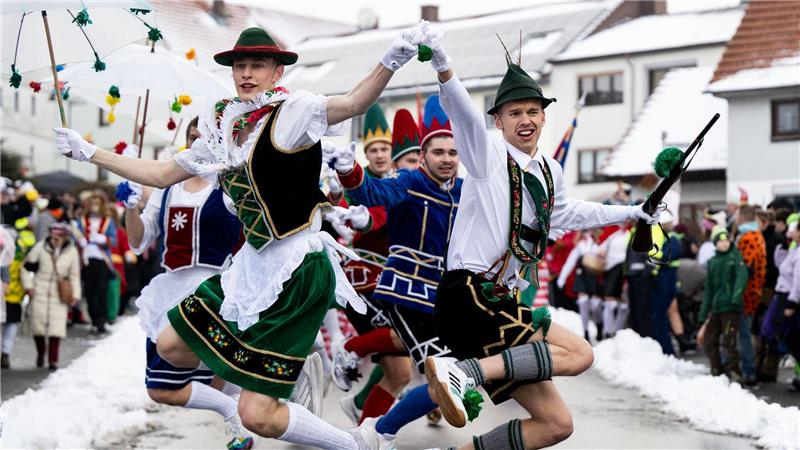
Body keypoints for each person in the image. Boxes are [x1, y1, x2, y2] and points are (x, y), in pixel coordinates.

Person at [52, 24, 428, 449]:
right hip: (251, 264)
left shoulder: (294, 112)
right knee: (172, 344)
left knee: (257, 417)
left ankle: (356, 442)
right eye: (240, 65)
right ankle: (277, 370)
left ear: (276, 73)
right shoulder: (225, 127)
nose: (247, 73)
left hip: (298, 268)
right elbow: (160, 173)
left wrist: (391, 61)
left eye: (257, 65)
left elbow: (354, 101)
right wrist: (89, 151)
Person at [374, 25, 659, 450]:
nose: (524, 120)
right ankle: (466, 372)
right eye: (514, 113)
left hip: (499, 298)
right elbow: (461, 112)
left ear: (544, 116)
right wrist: (442, 62)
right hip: (467, 295)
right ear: (499, 120)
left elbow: (571, 212)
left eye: (532, 111)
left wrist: (633, 210)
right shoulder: (486, 155)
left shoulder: (549, 169)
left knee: (556, 424)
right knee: (581, 354)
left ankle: (461, 411)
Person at [116, 118, 253, 450]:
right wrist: (132, 206)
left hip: (212, 288)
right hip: (169, 290)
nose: (196, 144)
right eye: (192, 137)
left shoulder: (229, 186)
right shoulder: (166, 187)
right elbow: (137, 242)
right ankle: (250, 411)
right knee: (170, 386)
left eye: (204, 138)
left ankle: (248, 414)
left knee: (190, 379)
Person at [329, 94, 462, 429]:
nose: (446, 159)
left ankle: (368, 428)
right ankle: (377, 428)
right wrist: (349, 172)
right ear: (423, 156)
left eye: (453, 152)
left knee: (403, 371)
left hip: (437, 290)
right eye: (437, 152)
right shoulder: (409, 181)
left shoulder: (462, 190)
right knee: (439, 365)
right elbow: (373, 196)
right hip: (398, 285)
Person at [21, 223, 81, 369]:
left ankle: (53, 359)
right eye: (52, 236)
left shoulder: (71, 251)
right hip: (40, 289)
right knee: (38, 327)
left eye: (58, 237)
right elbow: (25, 266)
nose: (54, 239)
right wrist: (28, 286)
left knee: (57, 328)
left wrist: (75, 294)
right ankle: (41, 353)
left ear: (64, 237)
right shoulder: (41, 247)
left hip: (59, 292)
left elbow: (74, 275)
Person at [698, 227, 748, 382]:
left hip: (730, 308)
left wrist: (736, 297)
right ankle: (716, 369)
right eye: (720, 241)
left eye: (726, 240)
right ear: (715, 243)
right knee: (709, 340)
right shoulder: (713, 262)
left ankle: (734, 372)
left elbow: (742, 278)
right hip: (716, 307)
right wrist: (703, 312)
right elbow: (709, 289)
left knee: (729, 341)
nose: (724, 243)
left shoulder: (735, 258)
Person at [72, 191, 117, 335]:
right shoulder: (82, 220)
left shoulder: (108, 221)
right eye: (92, 204)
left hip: (102, 259)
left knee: (101, 291)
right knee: (90, 292)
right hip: (86, 260)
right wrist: (80, 241)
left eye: (97, 204)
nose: (94, 207)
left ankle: (101, 321)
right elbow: (76, 237)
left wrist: (104, 239)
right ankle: (93, 319)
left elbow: (114, 240)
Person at [735, 204, 767, 385]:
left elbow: (745, 267)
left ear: (742, 217)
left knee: (744, 333)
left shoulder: (749, 237)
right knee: (745, 332)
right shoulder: (754, 236)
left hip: (747, 292)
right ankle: (747, 368)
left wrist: (736, 291)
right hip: (750, 291)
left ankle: (748, 371)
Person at [1, 219, 37, 368]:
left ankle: (5, 353)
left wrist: (29, 288)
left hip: (11, 298)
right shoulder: (17, 258)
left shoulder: (13, 260)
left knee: (9, 327)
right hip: (13, 298)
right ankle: (5, 353)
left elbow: (23, 275)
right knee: (10, 328)